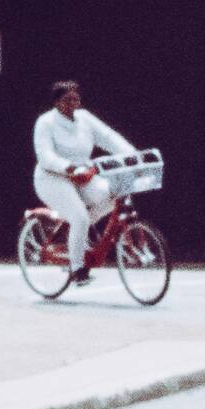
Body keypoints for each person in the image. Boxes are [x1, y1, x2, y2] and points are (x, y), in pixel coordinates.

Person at [31, 80, 138, 286]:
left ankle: (77, 236)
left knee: (112, 195)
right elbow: (45, 156)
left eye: (75, 98)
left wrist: (132, 154)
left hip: (83, 176)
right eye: (66, 99)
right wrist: (68, 168)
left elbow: (108, 137)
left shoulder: (85, 119)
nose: (73, 103)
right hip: (52, 178)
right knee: (79, 217)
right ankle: (77, 268)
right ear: (56, 103)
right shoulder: (45, 122)